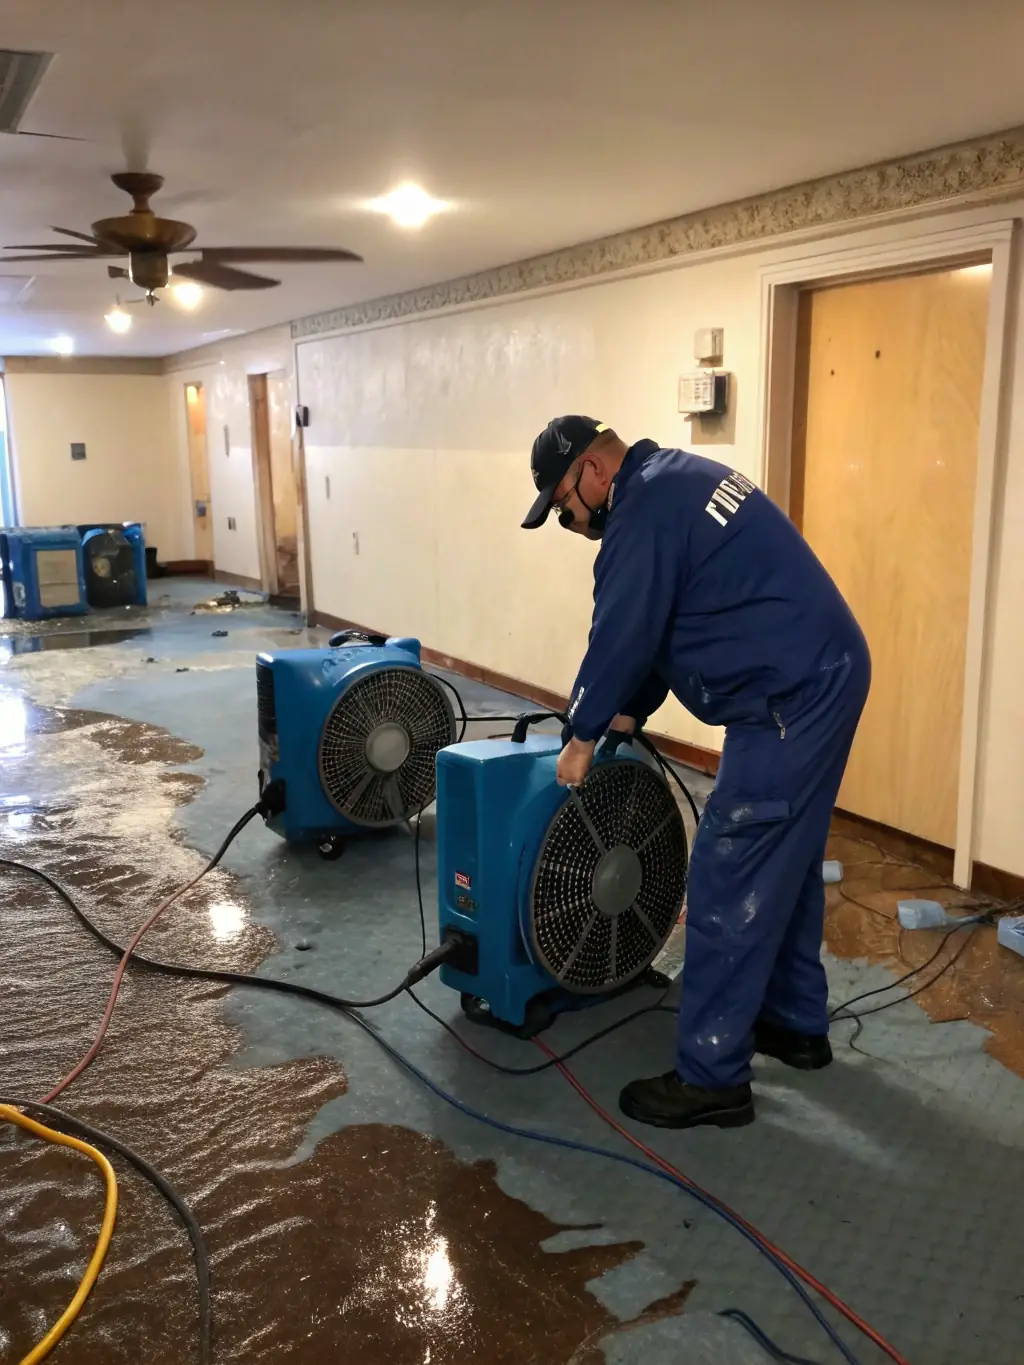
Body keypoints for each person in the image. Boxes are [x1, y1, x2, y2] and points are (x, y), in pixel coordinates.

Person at [522, 416, 870, 1130]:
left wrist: (583, 731)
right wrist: (627, 713)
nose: (569, 521)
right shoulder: (673, 481)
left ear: (592, 470)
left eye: (564, 506)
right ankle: (795, 1022)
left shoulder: (642, 514)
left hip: (789, 695)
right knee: (788, 853)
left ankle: (712, 1075)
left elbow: (622, 627)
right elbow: (663, 626)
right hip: (823, 670)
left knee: (727, 867)